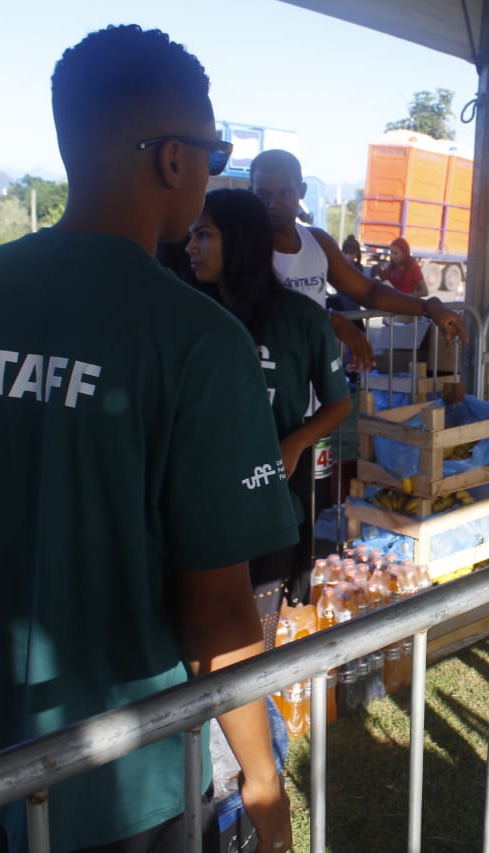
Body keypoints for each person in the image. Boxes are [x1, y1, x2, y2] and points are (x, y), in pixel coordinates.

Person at [0, 25, 296, 853]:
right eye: (215, 150)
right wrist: (263, 776)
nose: (213, 173)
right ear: (173, 160)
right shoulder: (199, 341)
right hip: (129, 780)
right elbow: (216, 611)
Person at [185, 188, 351, 643]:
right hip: (205, 504)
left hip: (276, 501)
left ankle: (253, 702)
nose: (190, 247)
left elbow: (340, 403)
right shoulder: (189, 314)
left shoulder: (301, 318)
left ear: (239, 240)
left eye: (204, 234)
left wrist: (295, 443)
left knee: (258, 632)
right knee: (209, 635)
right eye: (191, 234)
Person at [249, 149, 467, 371]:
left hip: (309, 374)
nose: (273, 204)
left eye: (284, 193)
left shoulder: (318, 242)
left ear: (301, 191)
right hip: (262, 377)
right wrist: (330, 321)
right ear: (251, 193)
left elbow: (368, 292)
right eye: (263, 195)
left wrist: (429, 307)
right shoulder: (242, 246)